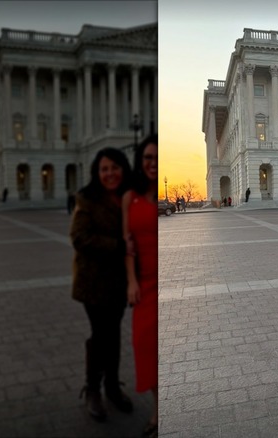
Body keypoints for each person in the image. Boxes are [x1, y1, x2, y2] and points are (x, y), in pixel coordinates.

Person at [70, 147, 134, 421]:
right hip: (93, 281)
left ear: (123, 169)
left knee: (113, 334)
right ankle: (94, 389)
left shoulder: (127, 197)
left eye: (114, 167)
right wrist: (118, 246)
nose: (110, 173)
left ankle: (111, 386)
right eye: (104, 168)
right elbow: (79, 237)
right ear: (98, 172)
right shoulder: (87, 198)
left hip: (118, 282)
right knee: (100, 336)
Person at [122, 135, 158, 438]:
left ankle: (159, 415)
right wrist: (131, 281)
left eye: (157, 158)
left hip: (164, 278)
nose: (153, 163)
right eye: (148, 157)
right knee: (145, 346)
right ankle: (157, 404)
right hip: (144, 283)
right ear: (140, 161)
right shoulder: (129, 197)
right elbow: (128, 245)